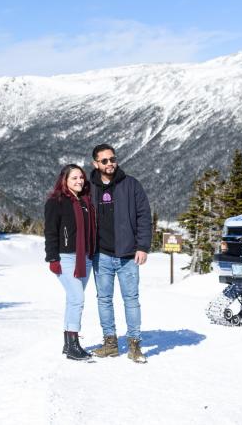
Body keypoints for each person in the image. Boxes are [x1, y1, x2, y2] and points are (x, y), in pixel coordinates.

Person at [89, 144, 152, 364]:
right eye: (104, 161)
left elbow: (144, 216)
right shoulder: (89, 188)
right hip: (101, 255)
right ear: (95, 163)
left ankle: (134, 345)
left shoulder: (131, 184)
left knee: (131, 300)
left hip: (128, 255)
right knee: (104, 300)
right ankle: (110, 343)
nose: (109, 164)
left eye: (112, 159)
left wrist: (143, 246)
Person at [44, 164, 96, 361]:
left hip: (85, 258)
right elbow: (50, 232)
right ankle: (74, 345)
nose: (79, 181)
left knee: (73, 300)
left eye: (81, 178)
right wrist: (52, 258)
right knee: (77, 299)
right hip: (66, 257)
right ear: (64, 180)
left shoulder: (85, 202)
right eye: (74, 178)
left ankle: (68, 345)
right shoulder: (55, 202)